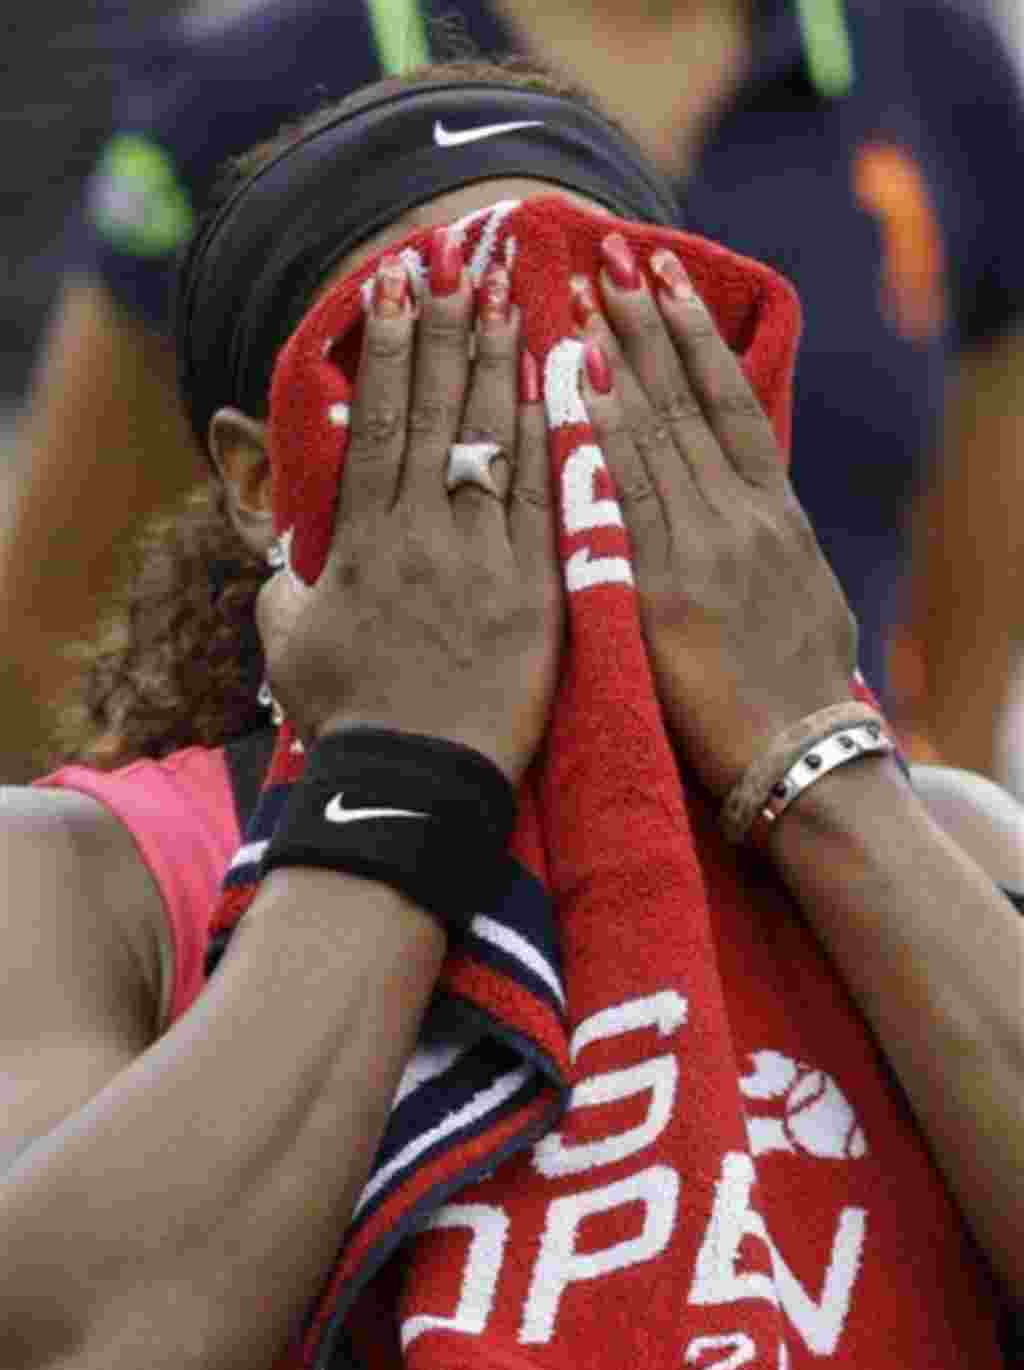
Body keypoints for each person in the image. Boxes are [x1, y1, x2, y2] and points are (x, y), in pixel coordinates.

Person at [0, 57, 1021, 1370]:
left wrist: (811, 751)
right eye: (439, 370)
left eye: (608, 348)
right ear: (259, 482)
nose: (537, 420)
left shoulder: (929, 836)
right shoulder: (88, 878)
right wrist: (405, 769)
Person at [2, 0, 1022, 783]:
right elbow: (56, 616)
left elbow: (968, 627)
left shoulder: (941, 69)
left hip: (814, 918)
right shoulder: (261, 74)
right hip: (375, 926)